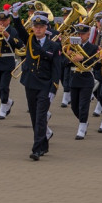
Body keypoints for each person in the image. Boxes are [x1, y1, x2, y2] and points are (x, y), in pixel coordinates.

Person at [11, 10, 61, 160]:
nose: (38, 29)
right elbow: (19, 29)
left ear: (46, 28)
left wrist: (54, 88)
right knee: (34, 116)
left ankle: (37, 149)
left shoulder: (54, 46)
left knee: (40, 117)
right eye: (36, 26)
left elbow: (56, 69)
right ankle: (44, 144)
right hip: (30, 83)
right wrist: (15, 15)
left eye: (41, 26)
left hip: (45, 84)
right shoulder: (30, 40)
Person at [0, 10, 22, 119]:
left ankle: (3, 108)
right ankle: (7, 101)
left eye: (4, 20)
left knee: (4, 86)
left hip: (8, 62)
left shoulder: (13, 31)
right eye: (0, 20)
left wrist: (8, 36)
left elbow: (19, 45)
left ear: (9, 20)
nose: (2, 23)